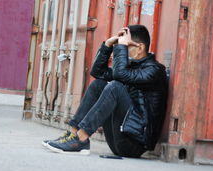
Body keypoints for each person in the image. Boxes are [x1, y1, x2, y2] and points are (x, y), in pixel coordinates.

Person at [43, 25, 168, 157]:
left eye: (126, 47)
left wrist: (121, 47)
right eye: (121, 46)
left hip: (134, 144)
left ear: (140, 48)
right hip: (117, 139)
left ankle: (81, 139)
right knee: (99, 84)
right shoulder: (131, 68)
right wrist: (108, 45)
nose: (122, 50)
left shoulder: (154, 71)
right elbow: (97, 72)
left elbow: (120, 75)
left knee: (115, 87)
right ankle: (74, 135)